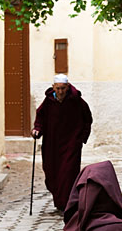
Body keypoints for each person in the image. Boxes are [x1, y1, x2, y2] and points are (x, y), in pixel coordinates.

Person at [31, 73, 92, 211]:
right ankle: (60, 202)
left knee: (68, 173)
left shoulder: (76, 101)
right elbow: (40, 118)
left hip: (71, 144)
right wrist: (37, 130)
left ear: (68, 87)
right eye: (58, 88)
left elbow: (87, 118)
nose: (60, 92)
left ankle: (67, 204)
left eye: (63, 88)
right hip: (52, 144)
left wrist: (81, 138)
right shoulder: (48, 102)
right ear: (53, 87)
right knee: (52, 172)